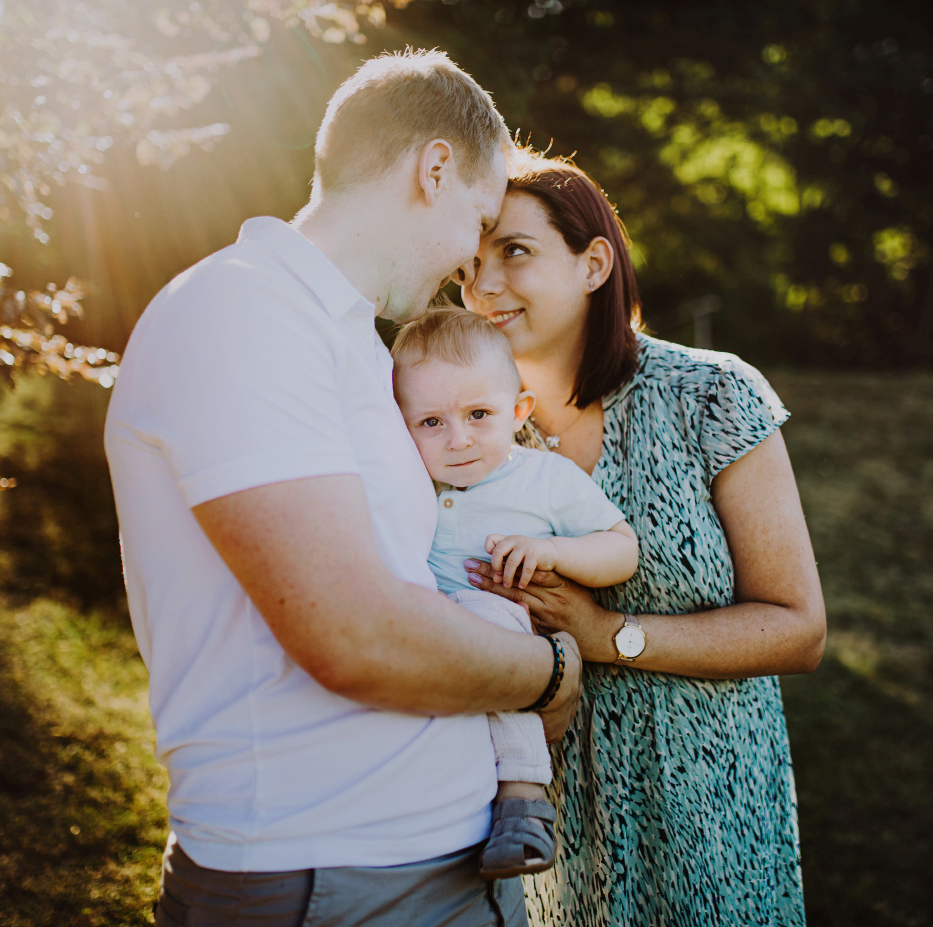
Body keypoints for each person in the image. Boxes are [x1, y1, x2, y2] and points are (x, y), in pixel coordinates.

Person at [104, 52, 583, 927]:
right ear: (433, 169)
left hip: (427, 862)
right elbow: (353, 632)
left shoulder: (354, 346)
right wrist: (549, 672)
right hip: (330, 880)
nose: (464, 269)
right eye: (475, 221)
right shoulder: (240, 311)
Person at [457, 150, 827, 926]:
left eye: (513, 252)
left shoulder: (709, 393)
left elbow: (797, 627)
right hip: (538, 820)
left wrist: (603, 634)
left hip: (707, 809)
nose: (481, 285)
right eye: (469, 263)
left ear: (593, 263)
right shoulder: (463, 433)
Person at [391, 307, 639, 881]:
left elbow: (621, 546)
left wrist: (551, 552)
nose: (458, 439)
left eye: (479, 414)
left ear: (518, 411)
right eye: (430, 422)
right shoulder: (410, 481)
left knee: (490, 625)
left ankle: (524, 798)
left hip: (503, 632)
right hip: (423, 639)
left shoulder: (543, 478)